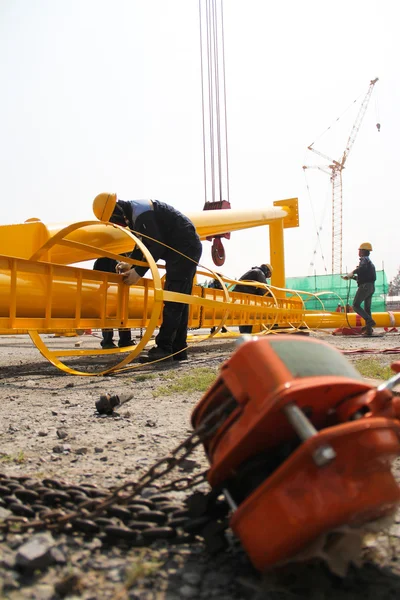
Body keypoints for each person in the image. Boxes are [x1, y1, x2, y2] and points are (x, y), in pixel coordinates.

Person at [92, 193, 203, 361]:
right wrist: (131, 264)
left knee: (173, 299)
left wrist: (138, 272)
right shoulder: (136, 213)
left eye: (114, 221)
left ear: (116, 211)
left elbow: (156, 245)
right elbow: (143, 245)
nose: (117, 225)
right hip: (184, 247)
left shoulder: (142, 213)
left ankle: (164, 348)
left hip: (184, 249)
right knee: (179, 299)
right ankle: (178, 349)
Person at [93, 256, 135, 349]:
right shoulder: (104, 259)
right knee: (111, 313)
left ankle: (114, 341)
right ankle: (118, 340)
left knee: (118, 313)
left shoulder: (104, 258)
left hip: (114, 290)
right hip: (109, 290)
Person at [342, 242, 376, 336]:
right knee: (367, 309)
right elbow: (363, 277)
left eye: (360, 250)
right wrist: (351, 277)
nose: (358, 251)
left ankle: (369, 321)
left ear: (363, 251)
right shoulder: (370, 263)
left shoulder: (364, 260)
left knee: (356, 305)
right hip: (371, 287)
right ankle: (369, 331)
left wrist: (353, 272)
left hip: (364, 287)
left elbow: (361, 269)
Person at [233, 264, 273, 334]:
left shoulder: (254, 272)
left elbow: (259, 290)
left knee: (245, 317)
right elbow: (264, 289)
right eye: (269, 274)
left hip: (240, 296)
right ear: (267, 270)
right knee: (248, 317)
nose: (267, 277)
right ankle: (246, 334)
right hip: (243, 296)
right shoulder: (259, 273)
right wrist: (272, 299)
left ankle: (245, 334)